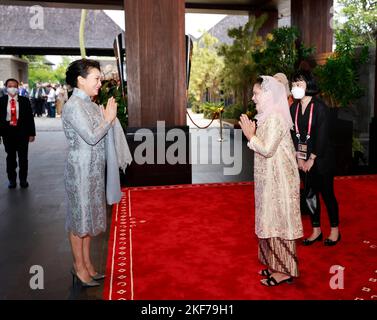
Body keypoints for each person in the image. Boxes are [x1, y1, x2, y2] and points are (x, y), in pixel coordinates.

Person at [239, 76, 303, 286]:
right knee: (269, 218)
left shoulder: (275, 118)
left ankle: (284, 271)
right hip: (270, 178)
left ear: (268, 94)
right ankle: (274, 266)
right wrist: (254, 135)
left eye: (256, 93)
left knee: (279, 222)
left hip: (281, 180)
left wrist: (251, 136)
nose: (253, 97)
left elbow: (267, 149)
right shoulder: (267, 116)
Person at [62, 59, 118, 287]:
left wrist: (106, 118)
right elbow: (92, 136)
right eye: (96, 79)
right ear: (80, 80)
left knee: (87, 220)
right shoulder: (74, 106)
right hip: (80, 171)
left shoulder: (90, 103)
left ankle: (87, 264)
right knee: (78, 222)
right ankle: (78, 267)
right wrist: (108, 119)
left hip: (93, 169)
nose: (100, 84)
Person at [290, 70, 340, 246]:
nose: (296, 87)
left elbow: (323, 135)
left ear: (309, 85)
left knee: (327, 194)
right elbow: (293, 135)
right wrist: (299, 157)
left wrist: (312, 158)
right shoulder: (294, 108)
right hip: (303, 159)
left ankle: (335, 230)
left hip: (322, 159)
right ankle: (316, 230)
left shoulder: (319, 107)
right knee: (310, 194)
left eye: (300, 84)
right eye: (294, 84)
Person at [0, 78, 36, 188]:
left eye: (14, 86)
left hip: (22, 133)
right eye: (9, 86)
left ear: (18, 88)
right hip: (7, 133)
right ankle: (12, 180)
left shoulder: (24, 101)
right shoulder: (1, 101)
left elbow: (30, 118)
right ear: (6, 87)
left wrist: (32, 133)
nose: (12, 88)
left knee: (23, 158)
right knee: (10, 158)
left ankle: (23, 180)